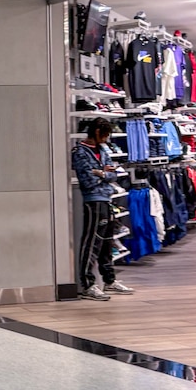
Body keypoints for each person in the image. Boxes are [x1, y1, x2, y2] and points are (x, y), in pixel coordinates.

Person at [71, 119, 134, 301]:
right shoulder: (80, 152)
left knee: (107, 242)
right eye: (105, 134)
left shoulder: (103, 150)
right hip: (93, 201)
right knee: (92, 243)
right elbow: (87, 180)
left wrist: (102, 173)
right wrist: (104, 173)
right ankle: (87, 284)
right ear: (97, 131)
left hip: (106, 199)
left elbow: (113, 174)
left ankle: (109, 279)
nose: (106, 139)